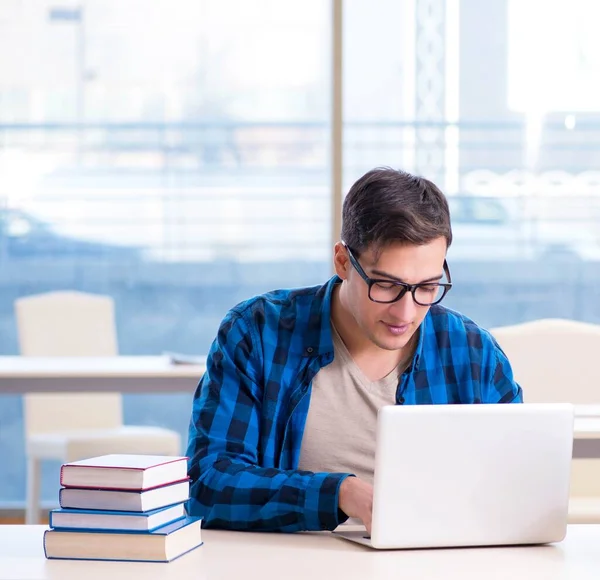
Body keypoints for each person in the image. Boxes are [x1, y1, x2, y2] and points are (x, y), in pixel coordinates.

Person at [185, 167, 523, 534]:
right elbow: (207, 483)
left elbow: (516, 483)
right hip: (289, 560)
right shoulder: (258, 333)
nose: (405, 313)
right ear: (343, 262)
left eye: (427, 287)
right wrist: (338, 493)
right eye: (386, 285)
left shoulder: (473, 353)